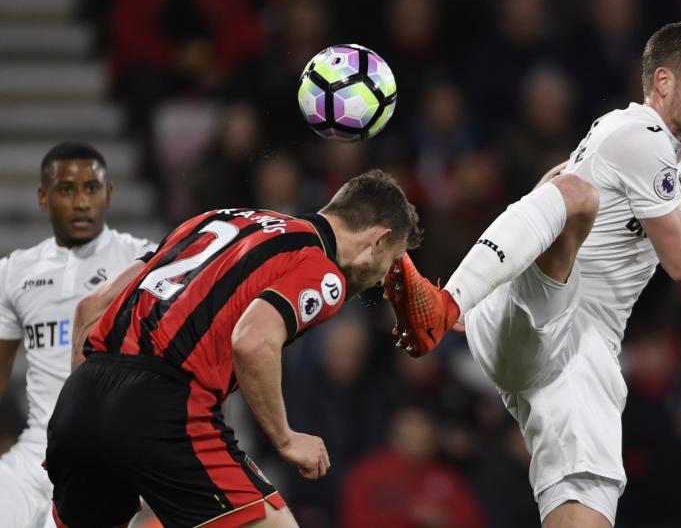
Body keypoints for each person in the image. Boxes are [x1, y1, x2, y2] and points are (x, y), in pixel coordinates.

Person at [384, 22, 681, 527]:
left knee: (584, 512)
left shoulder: (623, 136)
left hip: (568, 356)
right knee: (574, 198)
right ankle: (446, 303)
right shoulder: (643, 136)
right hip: (562, 328)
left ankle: (459, 304)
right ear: (663, 81)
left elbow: (545, 191)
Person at [46, 169, 421, 528]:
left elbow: (91, 307)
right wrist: (286, 438)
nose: (380, 280)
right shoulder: (320, 269)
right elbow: (253, 341)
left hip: (80, 399)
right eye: (388, 264)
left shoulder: (214, 221)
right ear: (377, 241)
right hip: (163, 405)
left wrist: (80, 418)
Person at [0, 143, 155, 527]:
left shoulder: (145, 261)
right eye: (67, 190)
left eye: (92, 188)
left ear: (110, 194)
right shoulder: (14, 272)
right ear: (42, 197)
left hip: (104, 457)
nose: (82, 201)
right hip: (34, 450)